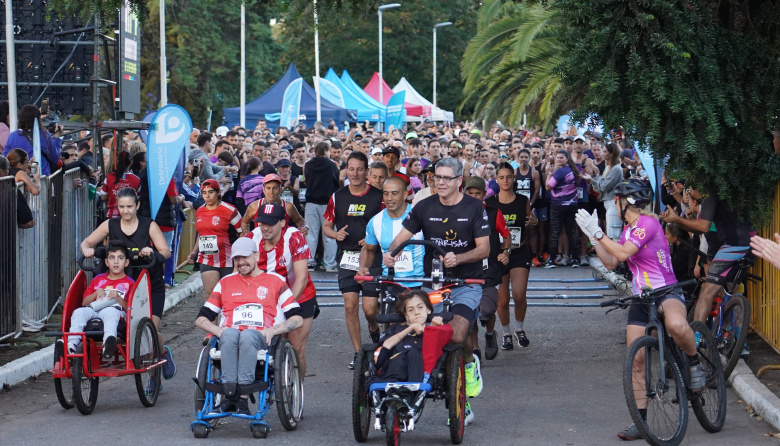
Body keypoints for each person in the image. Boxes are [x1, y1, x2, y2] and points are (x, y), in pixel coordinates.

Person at [575, 179, 704, 441]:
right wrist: (593, 237)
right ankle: (641, 421)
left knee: (677, 326)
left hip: (666, 291)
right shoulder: (627, 230)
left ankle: (693, 361)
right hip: (641, 297)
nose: (615, 204)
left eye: (617, 201)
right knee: (636, 359)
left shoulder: (649, 223)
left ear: (623, 202)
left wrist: (599, 234)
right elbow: (611, 262)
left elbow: (623, 254)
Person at [385, 157, 490, 404]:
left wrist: (460, 258)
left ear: (459, 181)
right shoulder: (424, 206)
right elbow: (401, 238)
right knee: (422, 332)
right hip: (433, 283)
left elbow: (484, 249)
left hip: (467, 282)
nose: (440, 182)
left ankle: (467, 364)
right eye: (437, 177)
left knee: (455, 334)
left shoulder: (474, 208)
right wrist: (391, 254)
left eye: (446, 178)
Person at [195, 237, 303, 416]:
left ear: (256, 255)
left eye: (245, 257)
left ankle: (241, 398)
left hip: (259, 336)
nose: (240, 262)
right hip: (229, 336)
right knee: (229, 334)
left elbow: (297, 318)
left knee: (247, 336)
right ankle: (231, 396)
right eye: (236, 259)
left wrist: (273, 330)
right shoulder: (225, 282)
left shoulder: (275, 280)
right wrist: (217, 330)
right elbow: (201, 318)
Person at [80, 187, 176, 382]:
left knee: (149, 330)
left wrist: (151, 251)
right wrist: (87, 250)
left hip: (148, 284)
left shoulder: (148, 225)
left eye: (129, 207)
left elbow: (165, 252)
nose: (125, 211)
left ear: (137, 206)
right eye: (121, 207)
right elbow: (86, 243)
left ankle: (162, 353)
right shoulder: (110, 224)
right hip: (122, 284)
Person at [324, 151, 384, 369]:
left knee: (370, 309)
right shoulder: (337, 196)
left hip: (372, 257)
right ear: (346, 170)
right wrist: (335, 235)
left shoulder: (379, 196)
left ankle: (374, 328)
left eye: (360, 169)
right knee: (350, 307)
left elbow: (387, 225)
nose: (356, 173)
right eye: (351, 169)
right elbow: (327, 226)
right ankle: (359, 354)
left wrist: (372, 240)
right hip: (347, 258)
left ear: (366, 171)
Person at [660, 184, 754, 323]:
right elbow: (699, 230)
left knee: (706, 292)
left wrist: (676, 219)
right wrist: (677, 222)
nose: (690, 193)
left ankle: (696, 339)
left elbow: (704, 226)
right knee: (725, 291)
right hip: (749, 243)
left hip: (735, 245)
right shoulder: (721, 191)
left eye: (691, 189)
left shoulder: (710, 193)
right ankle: (728, 332)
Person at [248, 202, 318, 377]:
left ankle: (296, 393)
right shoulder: (252, 238)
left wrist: (286, 307)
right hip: (266, 298)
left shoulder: (294, 237)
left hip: (299, 296)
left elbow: (301, 278)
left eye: (270, 223)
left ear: (282, 222)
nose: (265, 228)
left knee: (296, 348)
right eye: (262, 223)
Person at [486, 163, 537, 350]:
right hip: (498, 255)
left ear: (513, 178)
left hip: (518, 251)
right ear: (496, 180)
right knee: (502, 300)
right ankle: (506, 333)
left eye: (509, 177)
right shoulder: (490, 203)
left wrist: (535, 220)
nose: (505, 181)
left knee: (519, 295)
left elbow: (531, 221)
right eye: (501, 177)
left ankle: (519, 328)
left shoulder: (523, 200)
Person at [462, 176, 510, 362]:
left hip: (489, 269)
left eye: (478, 193)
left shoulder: (493, 213)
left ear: (484, 195)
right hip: (466, 269)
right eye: (470, 193)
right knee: (470, 313)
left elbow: (507, 235)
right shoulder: (458, 212)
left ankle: (490, 333)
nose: (474, 196)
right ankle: (475, 350)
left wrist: (505, 252)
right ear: (465, 193)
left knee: (486, 311)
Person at [65, 241, 134, 359]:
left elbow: (131, 308)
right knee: (78, 312)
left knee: (110, 312)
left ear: (126, 262)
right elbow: (84, 302)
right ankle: (72, 344)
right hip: (94, 309)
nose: (116, 262)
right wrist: (96, 293)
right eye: (112, 258)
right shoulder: (98, 280)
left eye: (120, 258)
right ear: (106, 262)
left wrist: (117, 297)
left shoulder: (130, 283)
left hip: (115, 311)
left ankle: (108, 342)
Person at [359, 175, 426, 294]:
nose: (389, 198)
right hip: (390, 283)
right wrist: (363, 267)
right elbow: (369, 249)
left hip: (420, 284)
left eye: (394, 193)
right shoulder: (375, 221)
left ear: (405, 194)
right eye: (386, 193)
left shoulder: (420, 215)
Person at [188, 179, 244, 304]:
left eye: (211, 192)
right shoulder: (200, 211)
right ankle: (213, 322)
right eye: (204, 193)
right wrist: (194, 252)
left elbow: (242, 232)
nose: (207, 196)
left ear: (218, 193)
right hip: (207, 257)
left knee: (227, 296)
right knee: (210, 295)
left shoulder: (230, 210)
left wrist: (239, 255)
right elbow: (202, 234)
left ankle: (226, 322)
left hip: (227, 259)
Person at [304, 141, 340, 271]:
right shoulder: (331, 165)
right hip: (328, 203)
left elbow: (307, 181)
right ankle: (330, 264)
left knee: (310, 234)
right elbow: (336, 182)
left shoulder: (308, 165)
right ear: (326, 151)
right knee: (329, 235)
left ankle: (309, 262)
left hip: (311, 202)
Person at [544, 149, 581, 268]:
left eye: (561, 158)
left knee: (555, 232)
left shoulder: (560, 172)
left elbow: (548, 186)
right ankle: (575, 259)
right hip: (572, 205)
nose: (559, 159)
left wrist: (549, 173)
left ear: (567, 159)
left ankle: (551, 260)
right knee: (572, 232)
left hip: (558, 205)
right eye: (558, 157)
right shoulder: (573, 170)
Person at [582, 141, 624, 241]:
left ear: (612, 153)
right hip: (608, 203)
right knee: (610, 232)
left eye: (605, 151)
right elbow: (600, 188)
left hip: (613, 203)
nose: (602, 153)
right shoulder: (608, 168)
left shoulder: (616, 169)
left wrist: (595, 177)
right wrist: (594, 179)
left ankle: (616, 256)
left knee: (614, 234)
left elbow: (604, 187)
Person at [3, 104, 61, 175]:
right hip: (42, 176)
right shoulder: (44, 134)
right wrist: (58, 138)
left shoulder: (13, 136)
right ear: (38, 119)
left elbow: (5, 158)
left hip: (20, 177)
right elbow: (55, 158)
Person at [241, 174, 307, 235]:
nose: (271, 192)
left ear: (280, 190)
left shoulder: (288, 206)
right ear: (263, 190)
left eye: (275, 188)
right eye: (268, 188)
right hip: (260, 246)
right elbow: (244, 222)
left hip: (282, 245)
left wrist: (304, 228)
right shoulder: (254, 206)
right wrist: (248, 236)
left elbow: (300, 221)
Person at [98, 151, 140, 218]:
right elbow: (137, 198)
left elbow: (103, 197)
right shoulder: (137, 179)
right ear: (131, 163)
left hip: (112, 215)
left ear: (117, 162)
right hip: (130, 215)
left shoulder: (109, 177)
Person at [0, 154, 35, 229]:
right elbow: (29, 222)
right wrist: (14, 225)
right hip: (5, 237)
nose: (9, 172)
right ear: (2, 170)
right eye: (8, 169)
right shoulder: (10, 190)